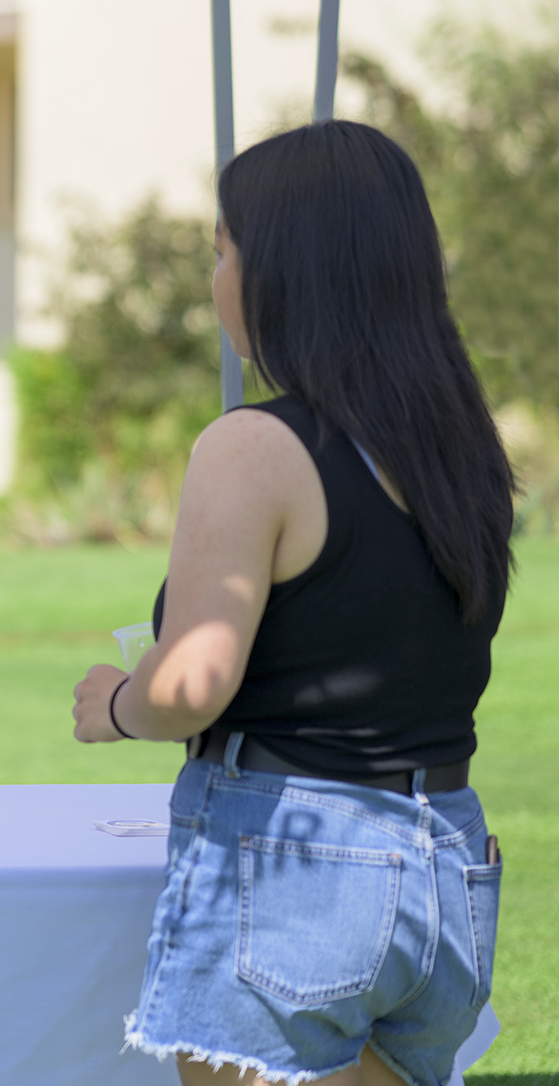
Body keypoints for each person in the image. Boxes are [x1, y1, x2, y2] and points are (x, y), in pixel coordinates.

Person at [72, 121, 510, 1086]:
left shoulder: (252, 447)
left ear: (284, 271)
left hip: (296, 861)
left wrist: (114, 703)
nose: (215, 278)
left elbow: (190, 681)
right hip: (448, 855)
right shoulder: (460, 450)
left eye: (222, 250)